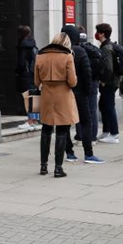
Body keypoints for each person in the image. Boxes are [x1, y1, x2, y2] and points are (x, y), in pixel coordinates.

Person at [34, 32, 78, 178]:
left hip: (47, 95)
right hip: (63, 96)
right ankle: (58, 168)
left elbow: (36, 82)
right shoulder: (68, 57)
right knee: (62, 131)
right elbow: (72, 82)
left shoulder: (40, 56)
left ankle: (43, 166)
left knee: (46, 130)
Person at [61, 25, 104, 164]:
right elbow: (87, 73)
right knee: (86, 121)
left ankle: (69, 153)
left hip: (63, 93)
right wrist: (86, 91)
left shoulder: (59, 51)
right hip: (79, 92)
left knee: (64, 124)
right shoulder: (79, 51)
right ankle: (88, 153)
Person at [95, 23, 120, 144]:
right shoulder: (108, 46)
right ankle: (106, 131)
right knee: (104, 105)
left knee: (109, 106)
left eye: (98, 32)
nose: (96, 34)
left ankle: (114, 134)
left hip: (109, 82)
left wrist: (104, 80)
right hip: (112, 81)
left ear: (102, 34)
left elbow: (109, 68)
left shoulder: (106, 48)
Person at [79, 27, 101, 142]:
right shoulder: (94, 49)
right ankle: (93, 136)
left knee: (80, 109)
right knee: (92, 110)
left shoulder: (77, 50)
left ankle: (81, 135)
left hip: (81, 83)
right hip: (93, 82)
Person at [15, 25, 38, 111]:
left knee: (24, 93)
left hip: (24, 72)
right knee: (31, 95)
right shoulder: (33, 43)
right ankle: (32, 115)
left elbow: (21, 62)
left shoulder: (23, 46)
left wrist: (17, 71)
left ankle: (24, 112)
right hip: (32, 72)